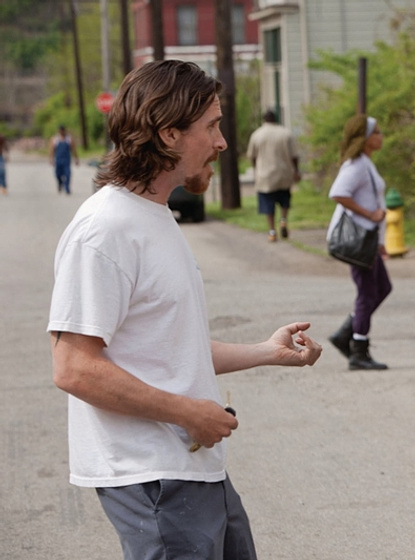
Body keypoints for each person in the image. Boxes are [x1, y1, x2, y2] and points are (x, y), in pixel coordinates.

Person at [47, 60, 322, 559]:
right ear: (168, 133)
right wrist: (190, 413)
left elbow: (167, 348)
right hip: (153, 477)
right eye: (212, 126)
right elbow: (73, 368)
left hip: (191, 469)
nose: (222, 142)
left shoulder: (154, 215)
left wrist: (266, 351)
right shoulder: (105, 229)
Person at [326, 114, 391, 370]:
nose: (380, 137)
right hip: (359, 241)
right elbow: (338, 193)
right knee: (367, 293)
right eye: (377, 132)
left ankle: (346, 334)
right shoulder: (355, 165)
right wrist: (370, 215)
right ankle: (359, 351)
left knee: (382, 287)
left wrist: (380, 240)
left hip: (369, 240)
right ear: (365, 138)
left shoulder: (365, 162)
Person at [246, 109, 301, 241]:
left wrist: (256, 170)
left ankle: (271, 231)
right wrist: (296, 170)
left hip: (265, 176)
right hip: (284, 173)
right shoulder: (286, 133)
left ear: (264, 120)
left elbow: (252, 156)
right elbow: (294, 155)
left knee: (268, 205)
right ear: (275, 119)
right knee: (284, 200)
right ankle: (283, 220)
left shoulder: (257, 135)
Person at [48, 124, 79, 194]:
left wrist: (76, 159)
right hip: (58, 160)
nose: (61, 132)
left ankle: (67, 188)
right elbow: (52, 150)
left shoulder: (69, 139)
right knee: (57, 174)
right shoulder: (55, 139)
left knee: (67, 174)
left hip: (66, 160)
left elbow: (74, 149)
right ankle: (60, 183)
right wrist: (51, 159)